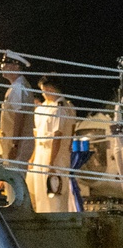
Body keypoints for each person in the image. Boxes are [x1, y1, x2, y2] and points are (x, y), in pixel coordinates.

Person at [28, 75, 77, 213]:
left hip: (55, 156)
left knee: (54, 196)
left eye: (44, 90)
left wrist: (51, 162)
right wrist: (33, 158)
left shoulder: (61, 108)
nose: (43, 93)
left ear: (50, 89)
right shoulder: (43, 108)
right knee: (40, 195)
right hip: (41, 153)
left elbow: (58, 136)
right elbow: (37, 136)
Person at [0, 51, 35, 167]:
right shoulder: (18, 86)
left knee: (14, 180)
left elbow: (20, 116)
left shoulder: (18, 87)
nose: (2, 67)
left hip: (17, 145)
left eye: (6, 64)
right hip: (16, 144)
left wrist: (15, 145)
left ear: (16, 67)